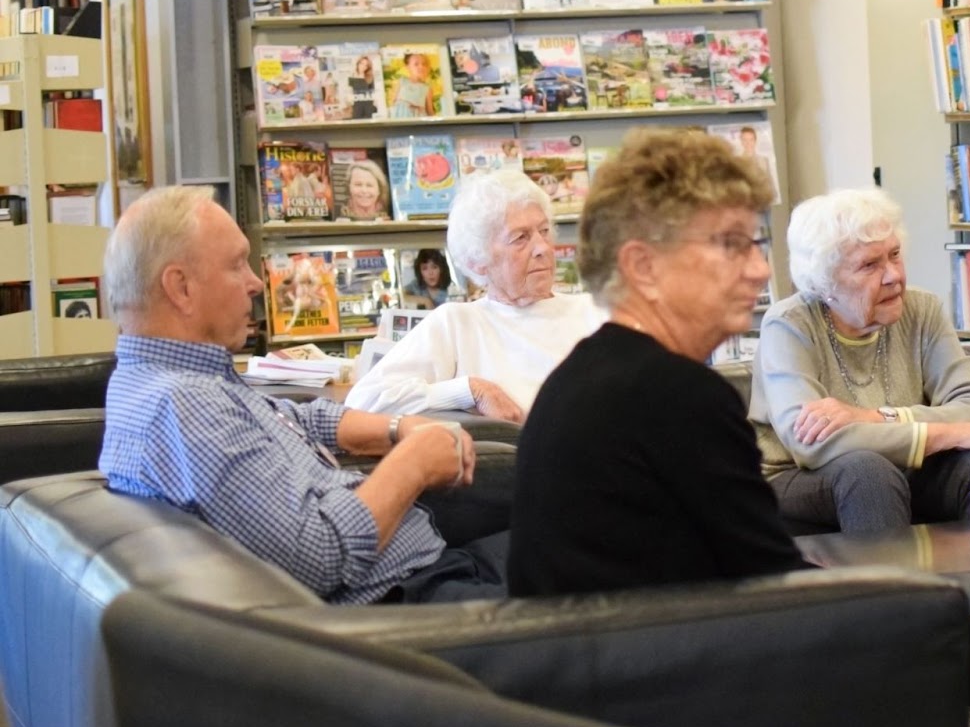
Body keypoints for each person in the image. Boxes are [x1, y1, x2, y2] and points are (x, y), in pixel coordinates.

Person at [98, 185, 505, 605]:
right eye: (237, 265)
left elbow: (291, 417)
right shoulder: (185, 407)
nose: (256, 283)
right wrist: (415, 461)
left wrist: (396, 426)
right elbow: (321, 557)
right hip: (408, 599)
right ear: (180, 288)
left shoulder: (159, 379)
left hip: (420, 565)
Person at [507, 129, 803, 596]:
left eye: (756, 242)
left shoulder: (578, 378)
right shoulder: (675, 394)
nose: (761, 269)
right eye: (731, 244)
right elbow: (779, 588)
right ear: (643, 267)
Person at [749, 188, 970, 534]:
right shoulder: (789, 324)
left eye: (894, 255)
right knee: (868, 472)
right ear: (825, 283)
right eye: (869, 265)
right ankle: (894, 590)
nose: (893, 275)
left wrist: (872, 418)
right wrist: (952, 432)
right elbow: (813, 444)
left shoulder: (922, 310)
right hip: (800, 478)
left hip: (906, 470)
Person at [347, 171, 607, 423]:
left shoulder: (597, 311)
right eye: (520, 238)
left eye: (544, 231)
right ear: (478, 260)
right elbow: (364, 401)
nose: (542, 248)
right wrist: (468, 391)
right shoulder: (458, 323)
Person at [389, 51, 436, 118]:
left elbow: (430, 110)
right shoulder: (401, 82)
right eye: (416, 64)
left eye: (424, 64)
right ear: (408, 67)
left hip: (417, 117)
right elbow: (393, 102)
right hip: (400, 116)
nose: (421, 67)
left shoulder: (427, 88)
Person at [347, 54, 378, 120]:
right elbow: (349, 93)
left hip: (368, 106)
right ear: (358, 64)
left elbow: (374, 93)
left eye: (365, 65)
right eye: (361, 63)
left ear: (367, 67)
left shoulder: (370, 78)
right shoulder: (352, 77)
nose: (363, 66)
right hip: (357, 106)